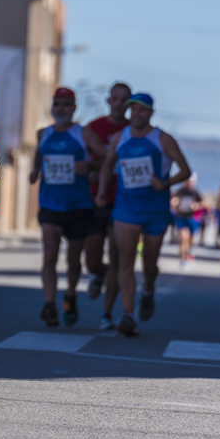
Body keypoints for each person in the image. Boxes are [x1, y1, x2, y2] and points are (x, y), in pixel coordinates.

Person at [96, 93, 191, 336]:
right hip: (126, 208)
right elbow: (108, 164)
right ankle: (128, 314)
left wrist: (165, 182)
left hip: (155, 209)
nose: (136, 114)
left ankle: (148, 289)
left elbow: (186, 170)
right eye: (133, 110)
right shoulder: (121, 137)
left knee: (149, 264)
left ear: (150, 113)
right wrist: (101, 191)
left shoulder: (162, 138)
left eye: (141, 110)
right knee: (125, 261)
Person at [29, 87, 104, 327]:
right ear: (52, 107)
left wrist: (89, 166)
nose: (61, 108)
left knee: (73, 260)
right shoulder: (43, 134)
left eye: (66, 104)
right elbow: (37, 159)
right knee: (50, 255)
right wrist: (34, 171)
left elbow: (105, 157)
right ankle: (49, 304)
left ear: (74, 108)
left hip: (78, 205)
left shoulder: (83, 133)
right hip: (50, 204)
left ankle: (70, 294)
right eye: (57, 103)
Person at [83, 82, 131, 330]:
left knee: (117, 256)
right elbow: (85, 160)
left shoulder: (135, 131)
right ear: (108, 101)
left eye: (124, 99)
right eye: (115, 98)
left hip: (123, 200)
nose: (119, 103)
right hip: (96, 198)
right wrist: (92, 169)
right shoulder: (94, 128)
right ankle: (97, 274)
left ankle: (106, 312)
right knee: (91, 259)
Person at [171, 173, 204, 267]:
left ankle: (189, 251)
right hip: (182, 218)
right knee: (183, 238)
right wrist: (175, 203)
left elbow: (204, 203)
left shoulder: (196, 192)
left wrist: (196, 206)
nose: (190, 183)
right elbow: (174, 200)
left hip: (193, 218)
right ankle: (183, 259)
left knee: (191, 240)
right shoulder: (180, 191)